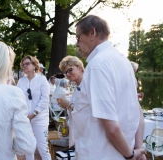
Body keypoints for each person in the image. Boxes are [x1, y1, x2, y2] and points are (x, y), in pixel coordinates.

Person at [58, 15, 146, 160]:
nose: (77, 44)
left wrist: (130, 155)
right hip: (121, 150)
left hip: (101, 153)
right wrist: (137, 148)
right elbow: (136, 111)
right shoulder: (122, 60)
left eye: (78, 38)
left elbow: (112, 129)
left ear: (92, 33)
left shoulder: (97, 65)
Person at [17, 55, 51, 160]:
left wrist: (34, 113)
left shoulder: (42, 80)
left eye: (27, 63)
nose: (25, 66)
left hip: (40, 119)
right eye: (23, 65)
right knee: (29, 149)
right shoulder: (21, 81)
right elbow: (18, 99)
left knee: (43, 149)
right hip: (26, 119)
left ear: (34, 64)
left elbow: (45, 99)